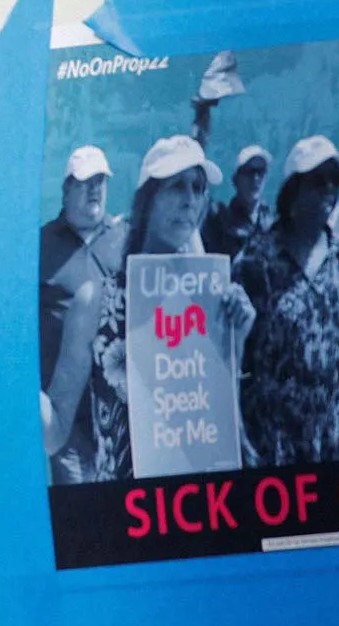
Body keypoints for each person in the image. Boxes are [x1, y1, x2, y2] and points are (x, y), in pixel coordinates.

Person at [42, 137, 256, 482]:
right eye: (177, 186)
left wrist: (236, 340)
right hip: (124, 504)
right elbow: (54, 434)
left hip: (196, 497)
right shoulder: (96, 300)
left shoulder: (210, 299)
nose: (190, 199)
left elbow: (213, 413)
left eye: (198, 188)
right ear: (147, 200)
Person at [233, 135, 339, 466]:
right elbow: (232, 356)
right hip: (273, 443)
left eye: (336, 179)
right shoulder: (256, 261)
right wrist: (238, 435)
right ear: (293, 191)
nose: (329, 189)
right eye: (318, 181)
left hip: (332, 441)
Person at [39, 145, 124, 483]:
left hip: (118, 415)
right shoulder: (39, 245)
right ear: (66, 190)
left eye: (100, 181)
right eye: (85, 182)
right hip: (67, 420)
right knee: (79, 508)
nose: (94, 189)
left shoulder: (125, 238)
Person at [201, 143, 271, 259]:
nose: (255, 178)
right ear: (236, 180)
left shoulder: (271, 223)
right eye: (249, 172)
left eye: (261, 171)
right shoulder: (219, 221)